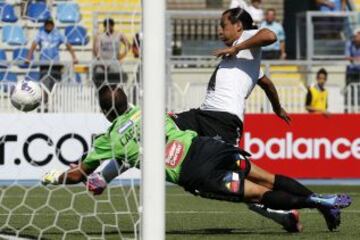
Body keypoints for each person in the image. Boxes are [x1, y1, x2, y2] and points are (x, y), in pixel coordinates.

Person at [42, 85, 351, 232]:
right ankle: (319, 200)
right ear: (127, 100)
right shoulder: (146, 110)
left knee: (258, 192)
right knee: (266, 175)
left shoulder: (109, 140)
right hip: (207, 147)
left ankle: (317, 203)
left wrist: (53, 177)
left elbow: (78, 175)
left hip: (195, 171)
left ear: (103, 111)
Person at [26, 19, 78, 111]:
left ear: (53, 25)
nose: (48, 26)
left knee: (54, 86)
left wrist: (74, 57)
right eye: (47, 25)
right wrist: (29, 57)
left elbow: (68, 45)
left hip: (55, 64)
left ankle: (52, 105)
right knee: (44, 85)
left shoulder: (58, 34)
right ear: (45, 25)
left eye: (50, 25)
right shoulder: (40, 34)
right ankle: (43, 105)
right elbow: (33, 45)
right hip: (44, 64)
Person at [93, 18, 131, 87]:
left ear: (112, 26)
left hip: (114, 63)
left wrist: (122, 55)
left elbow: (128, 45)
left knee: (119, 83)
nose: (108, 28)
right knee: (100, 84)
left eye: (110, 26)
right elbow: (96, 51)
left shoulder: (119, 35)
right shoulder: (100, 36)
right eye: (106, 26)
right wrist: (102, 63)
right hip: (102, 64)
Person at [345, 28, 360, 110]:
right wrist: (356, 59)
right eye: (358, 34)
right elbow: (347, 58)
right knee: (349, 91)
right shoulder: (349, 43)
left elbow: (351, 58)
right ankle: (347, 109)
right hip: (351, 71)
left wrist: (353, 59)